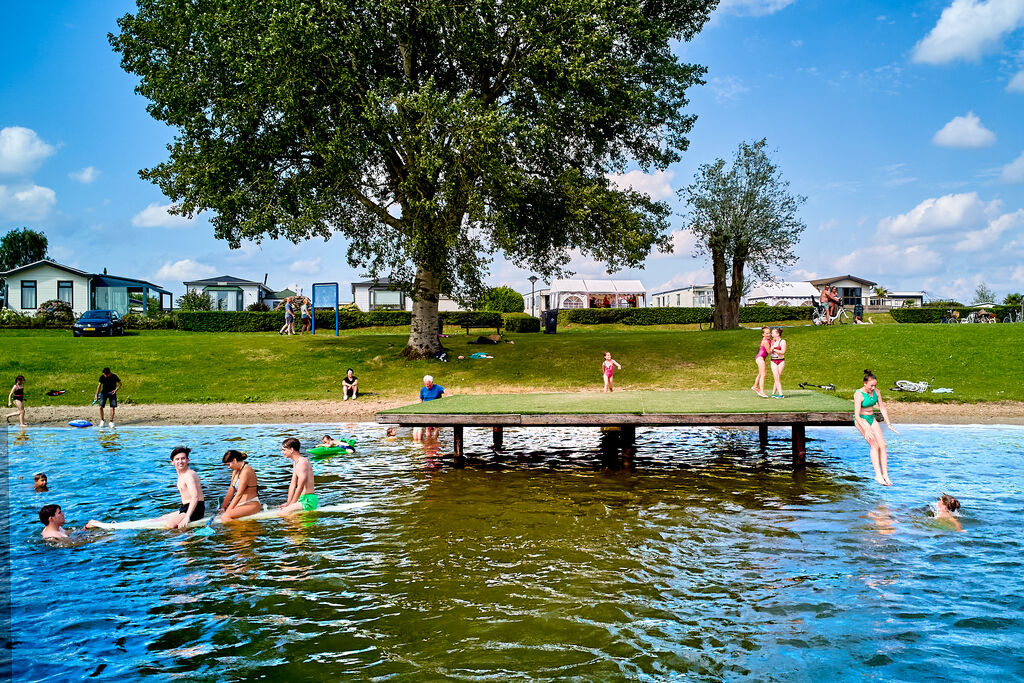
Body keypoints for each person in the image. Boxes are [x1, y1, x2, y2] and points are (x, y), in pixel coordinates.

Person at [854, 369, 899, 486]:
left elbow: (882, 408)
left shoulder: (876, 392)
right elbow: (857, 415)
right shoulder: (858, 394)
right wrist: (866, 428)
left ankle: (886, 475)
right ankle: (878, 475)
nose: (873, 388)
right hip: (862, 420)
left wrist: (889, 424)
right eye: (871, 386)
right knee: (874, 445)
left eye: (875, 385)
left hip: (871, 419)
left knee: (883, 445)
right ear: (865, 383)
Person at [219, 450, 261, 522]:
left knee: (225, 517)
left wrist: (227, 512)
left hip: (251, 503)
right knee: (224, 514)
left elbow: (239, 494)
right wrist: (222, 508)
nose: (228, 467)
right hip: (239, 504)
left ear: (234, 460)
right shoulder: (235, 471)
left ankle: (241, 529)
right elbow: (231, 490)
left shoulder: (246, 471)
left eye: (229, 464)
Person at [279, 437, 317, 513]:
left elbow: (300, 486)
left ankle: (296, 524)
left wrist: (291, 505)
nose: (282, 452)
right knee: (281, 508)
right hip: (301, 499)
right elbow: (293, 484)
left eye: (284, 450)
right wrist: (288, 503)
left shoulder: (303, 462)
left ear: (291, 450)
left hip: (308, 500)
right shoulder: (295, 462)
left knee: (282, 513)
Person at [414, 375, 447, 440]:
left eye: (428, 384)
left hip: (436, 409)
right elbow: (421, 398)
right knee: (428, 427)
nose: (427, 386)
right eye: (426, 384)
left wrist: (449, 395)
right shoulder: (423, 389)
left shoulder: (437, 387)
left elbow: (445, 391)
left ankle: (435, 439)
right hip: (426, 409)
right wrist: (420, 406)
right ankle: (428, 440)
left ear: (432, 383)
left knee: (435, 426)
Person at [751, 328, 770, 398]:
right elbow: (769, 352)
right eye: (766, 333)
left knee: (760, 373)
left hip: (760, 358)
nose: (768, 334)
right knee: (763, 374)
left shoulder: (768, 340)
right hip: (760, 358)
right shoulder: (765, 341)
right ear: (763, 334)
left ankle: (755, 386)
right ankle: (761, 391)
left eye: (769, 333)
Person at [769, 328, 787, 398]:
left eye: (773, 333)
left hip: (781, 361)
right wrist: (771, 350)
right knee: (776, 377)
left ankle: (776, 393)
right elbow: (769, 352)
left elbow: (783, 352)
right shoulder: (772, 342)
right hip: (773, 361)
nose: (771, 334)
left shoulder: (782, 341)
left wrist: (774, 349)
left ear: (778, 334)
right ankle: (779, 393)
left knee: (777, 377)